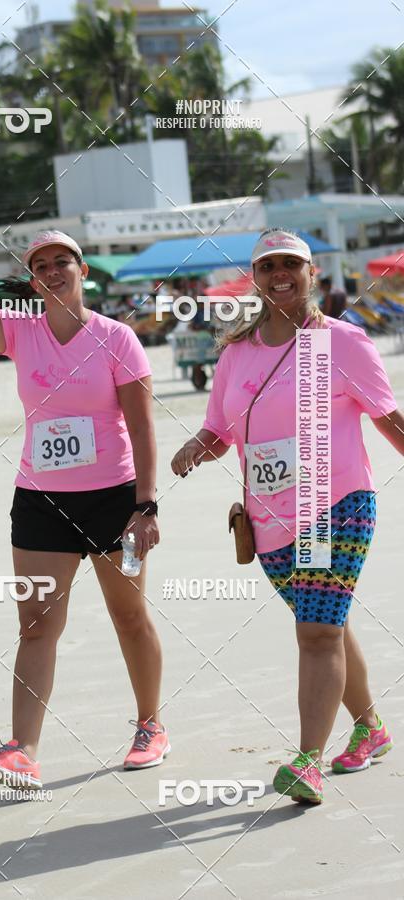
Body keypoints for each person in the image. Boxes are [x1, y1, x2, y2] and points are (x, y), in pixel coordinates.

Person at [0, 188, 168, 788]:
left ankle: (150, 726)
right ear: (32, 280)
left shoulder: (118, 338)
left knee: (129, 615)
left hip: (116, 499)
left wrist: (146, 505)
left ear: (82, 271)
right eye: (41, 265)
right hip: (40, 503)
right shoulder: (19, 331)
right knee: (35, 625)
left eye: (63, 261)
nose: (53, 270)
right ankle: (22, 750)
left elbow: (141, 425)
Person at [171, 228, 403, 804]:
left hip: (336, 506)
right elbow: (222, 431)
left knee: (317, 631)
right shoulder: (236, 353)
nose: (280, 273)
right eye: (269, 264)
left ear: (311, 272)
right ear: (256, 276)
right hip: (267, 520)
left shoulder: (343, 343)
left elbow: (390, 420)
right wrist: (194, 447)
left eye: (291, 264)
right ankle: (371, 728)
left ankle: (307, 761)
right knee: (328, 622)